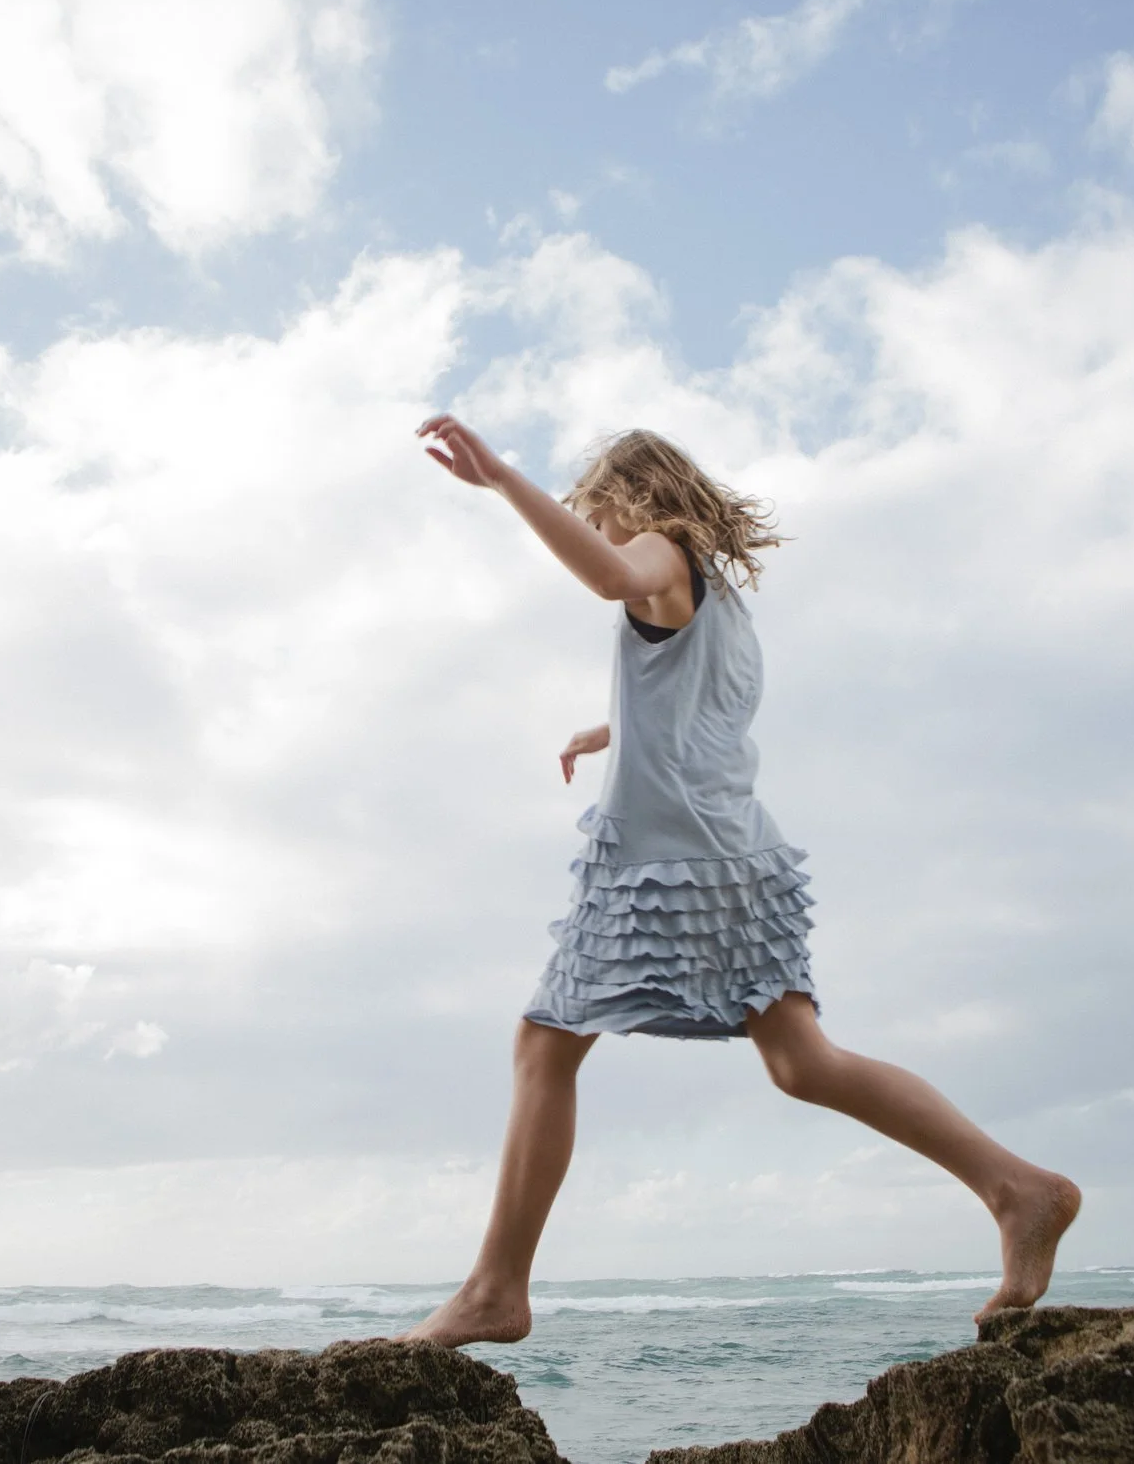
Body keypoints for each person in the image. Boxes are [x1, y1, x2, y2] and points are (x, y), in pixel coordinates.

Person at [404, 415, 1080, 1348]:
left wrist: (501, 480)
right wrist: (610, 730)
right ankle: (1018, 1188)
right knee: (802, 1062)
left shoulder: (657, 553)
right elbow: (697, 710)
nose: (599, 534)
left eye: (596, 512)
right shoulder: (725, 606)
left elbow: (614, 578)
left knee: (544, 1041)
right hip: (739, 861)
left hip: (668, 867)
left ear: (630, 495)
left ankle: (494, 1289)